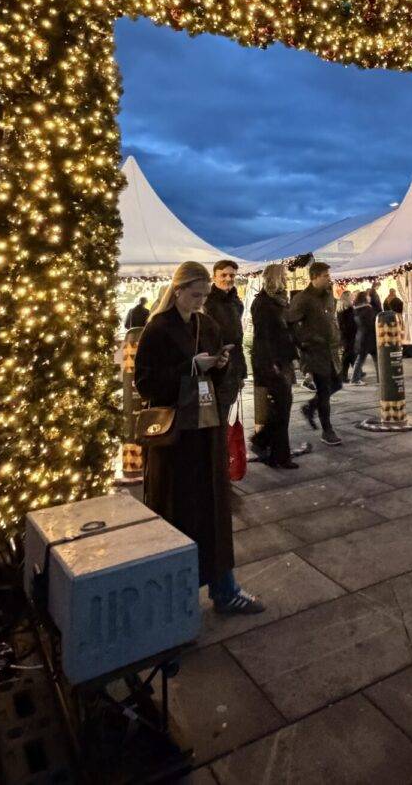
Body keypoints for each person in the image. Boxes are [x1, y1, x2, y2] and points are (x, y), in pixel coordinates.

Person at [135, 260, 263, 614]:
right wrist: (190, 368)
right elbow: (144, 383)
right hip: (176, 438)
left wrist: (219, 365)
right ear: (178, 291)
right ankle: (177, 599)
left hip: (206, 428)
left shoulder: (206, 324)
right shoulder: (158, 328)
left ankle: (224, 587)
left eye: (205, 295)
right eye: (195, 295)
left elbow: (217, 369)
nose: (200, 301)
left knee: (215, 513)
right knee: (179, 512)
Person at [248, 263, 298, 469]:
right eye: (283, 276)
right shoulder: (263, 303)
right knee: (281, 407)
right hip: (272, 362)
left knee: (281, 408)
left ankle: (269, 447)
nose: (286, 279)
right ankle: (276, 453)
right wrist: (272, 364)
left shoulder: (278, 301)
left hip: (281, 360)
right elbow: (264, 337)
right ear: (275, 278)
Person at [289, 261, 344, 446]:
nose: (329, 279)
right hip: (315, 352)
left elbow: (330, 319)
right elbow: (289, 321)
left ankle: (310, 407)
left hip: (331, 351)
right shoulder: (303, 299)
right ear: (314, 278)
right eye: (325, 276)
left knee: (337, 383)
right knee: (324, 390)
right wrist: (302, 342)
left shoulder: (328, 296)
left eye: (329, 275)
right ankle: (327, 431)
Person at [205, 260, 247, 421]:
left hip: (233, 366)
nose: (228, 278)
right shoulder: (207, 302)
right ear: (214, 276)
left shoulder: (236, 302)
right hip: (216, 368)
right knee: (215, 417)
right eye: (223, 275)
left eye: (232, 275)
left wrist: (241, 373)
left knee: (225, 414)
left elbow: (238, 339)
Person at [351, 291, 378, 384]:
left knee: (361, 358)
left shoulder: (355, 310)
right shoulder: (368, 309)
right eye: (368, 296)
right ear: (365, 298)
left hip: (360, 336)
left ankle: (355, 378)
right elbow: (372, 323)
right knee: (376, 358)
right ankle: (381, 377)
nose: (369, 298)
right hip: (369, 337)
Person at [337, 291, 358, 383]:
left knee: (347, 356)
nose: (352, 297)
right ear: (347, 297)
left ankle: (344, 376)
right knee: (350, 355)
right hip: (349, 335)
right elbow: (350, 323)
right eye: (350, 296)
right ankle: (356, 374)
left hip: (345, 335)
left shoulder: (340, 307)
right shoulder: (348, 308)